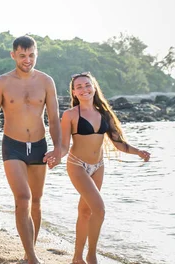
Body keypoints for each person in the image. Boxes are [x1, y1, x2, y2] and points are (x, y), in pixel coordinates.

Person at [0, 35, 62, 264]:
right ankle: (34, 259)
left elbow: (54, 118)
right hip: (13, 146)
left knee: (36, 200)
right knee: (23, 198)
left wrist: (59, 148)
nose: (27, 60)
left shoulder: (46, 81)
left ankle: (28, 254)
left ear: (37, 54)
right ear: (13, 54)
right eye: (23, 55)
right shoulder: (2, 82)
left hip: (39, 145)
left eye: (32, 55)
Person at [60, 72, 151, 264]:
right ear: (74, 92)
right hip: (77, 165)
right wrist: (54, 156)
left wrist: (138, 152)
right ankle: (91, 256)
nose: (84, 89)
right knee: (99, 209)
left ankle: (77, 258)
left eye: (87, 85)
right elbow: (63, 146)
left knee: (85, 212)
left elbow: (118, 143)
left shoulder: (104, 115)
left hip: (98, 166)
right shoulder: (69, 115)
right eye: (79, 87)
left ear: (94, 87)